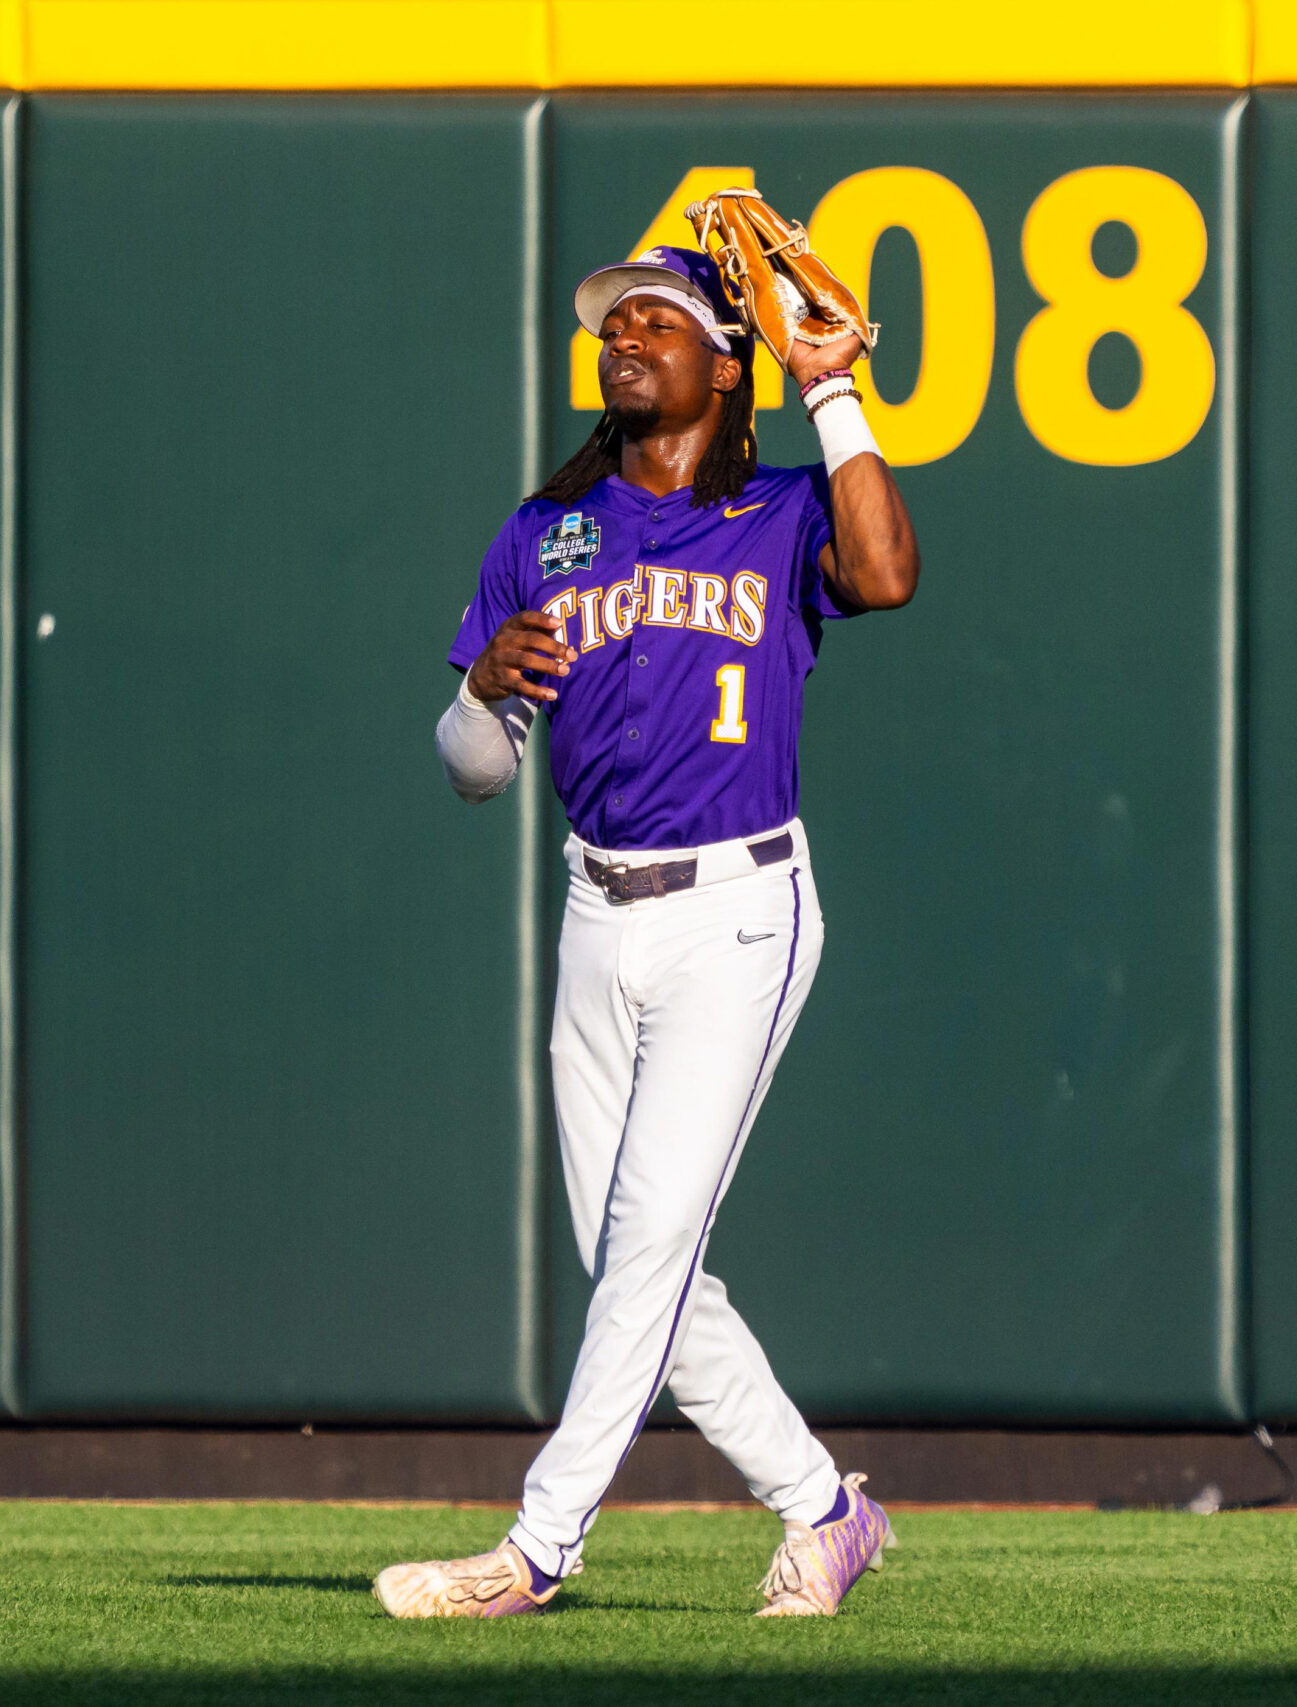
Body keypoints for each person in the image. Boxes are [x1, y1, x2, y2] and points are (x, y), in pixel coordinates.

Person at [374, 244, 920, 1619]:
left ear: (724, 365)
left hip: (736, 907)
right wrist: (477, 697)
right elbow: (476, 770)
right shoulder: (547, 530)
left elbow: (887, 574)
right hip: (595, 908)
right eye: (612, 323)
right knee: (640, 1268)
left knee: (651, 1244)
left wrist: (833, 391)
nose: (622, 337)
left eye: (656, 320)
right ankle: (828, 1511)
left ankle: (536, 1549)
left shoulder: (780, 508)